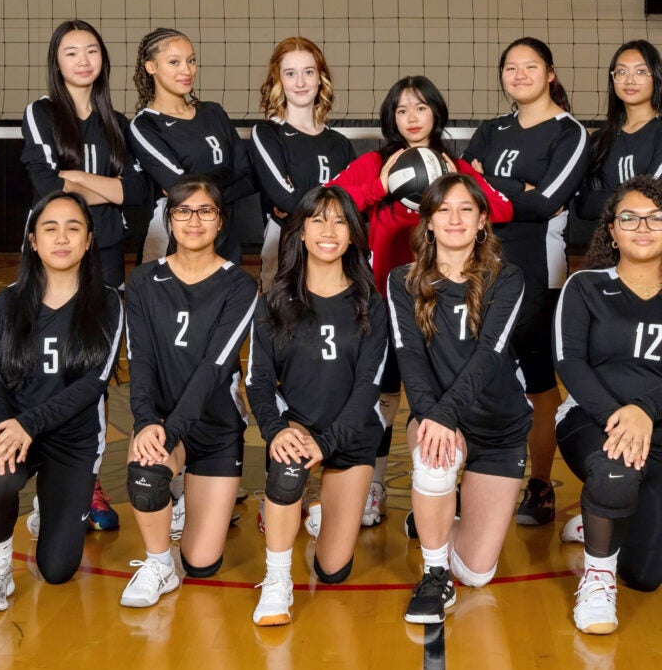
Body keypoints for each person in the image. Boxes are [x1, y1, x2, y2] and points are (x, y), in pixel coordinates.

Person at [331, 75, 512, 528]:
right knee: (380, 394)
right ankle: (372, 485)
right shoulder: (374, 162)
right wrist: (382, 185)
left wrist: (461, 175)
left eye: (421, 109)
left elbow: (501, 209)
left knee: (437, 391)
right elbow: (331, 206)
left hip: (441, 306)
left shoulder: (456, 167)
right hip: (379, 299)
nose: (412, 119)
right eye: (401, 110)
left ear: (437, 114)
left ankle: (435, 493)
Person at [554, 175, 662, 634]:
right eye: (628, 217)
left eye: (655, 217)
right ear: (611, 229)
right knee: (614, 472)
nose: (642, 226)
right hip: (593, 421)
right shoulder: (585, 286)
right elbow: (570, 362)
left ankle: (600, 519)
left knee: (646, 576)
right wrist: (618, 416)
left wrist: (645, 410)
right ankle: (596, 580)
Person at [387, 173, 531, 624]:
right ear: (427, 221)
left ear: (482, 221)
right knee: (435, 460)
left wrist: (445, 414)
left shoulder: (506, 278)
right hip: (438, 418)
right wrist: (436, 418)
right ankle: (433, 575)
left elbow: (490, 353)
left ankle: (434, 517)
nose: (454, 218)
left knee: (476, 571)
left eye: (466, 209)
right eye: (443, 209)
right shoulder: (402, 280)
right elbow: (410, 357)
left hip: (500, 426)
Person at [0, 191, 123, 612]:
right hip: (15, 430)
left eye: (73, 228)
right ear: (33, 241)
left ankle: (53, 501)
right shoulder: (8, 301)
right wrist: (5, 429)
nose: (62, 238)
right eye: (49, 228)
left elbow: (93, 384)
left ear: (89, 240)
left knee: (57, 571)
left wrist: (29, 425)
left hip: (73, 442)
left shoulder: (107, 302)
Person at [20, 20, 146, 531]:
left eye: (91, 50)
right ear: (57, 62)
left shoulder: (119, 121)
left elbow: (136, 194)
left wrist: (79, 181)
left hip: (108, 257)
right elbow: (49, 189)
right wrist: (104, 187)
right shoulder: (42, 113)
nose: (82, 60)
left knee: (94, 373)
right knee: (51, 369)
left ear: (102, 60)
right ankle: (47, 484)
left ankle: (87, 482)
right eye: (71, 52)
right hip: (57, 258)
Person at [247, 186, 388, 626]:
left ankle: (314, 508)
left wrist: (327, 445)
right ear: (301, 233)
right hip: (298, 429)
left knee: (332, 570)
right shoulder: (273, 302)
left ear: (351, 235)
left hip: (349, 436)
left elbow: (369, 388)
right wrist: (278, 431)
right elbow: (258, 381)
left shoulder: (371, 303)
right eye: (318, 220)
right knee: (288, 469)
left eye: (340, 221)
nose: (328, 230)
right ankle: (276, 579)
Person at [464, 37, 591, 525]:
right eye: (510, 67)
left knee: (538, 382)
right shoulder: (492, 128)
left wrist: (492, 186)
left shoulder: (569, 132)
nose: (518, 75)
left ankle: (540, 484)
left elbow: (548, 203)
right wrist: (519, 192)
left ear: (551, 73)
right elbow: (463, 185)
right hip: (480, 265)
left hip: (537, 270)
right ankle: (474, 479)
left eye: (530, 66)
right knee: (474, 373)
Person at [120, 175, 257, 608]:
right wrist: (147, 424)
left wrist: (173, 431)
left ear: (221, 222)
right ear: (169, 219)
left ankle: (182, 499)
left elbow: (214, 368)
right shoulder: (142, 282)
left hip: (215, 428)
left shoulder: (240, 286)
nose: (193, 221)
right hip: (161, 421)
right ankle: (159, 563)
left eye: (205, 211)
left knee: (201, 562)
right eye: (182, 211)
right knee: (147, 471)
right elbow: (138, 361)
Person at [129, 28, 256, 265]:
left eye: (191, 60)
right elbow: (181, 190)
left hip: (224, 235)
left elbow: (248, 176)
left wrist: (200, 188)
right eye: (174, 62)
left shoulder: (213, 112)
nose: (186, 70)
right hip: (174, 238)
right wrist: (223, 183)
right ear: (151, 67)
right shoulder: (145, 125)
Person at [251, 36, 355, 290]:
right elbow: (284, 199)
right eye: (290, 73)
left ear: (320, 77)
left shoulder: (339, 143)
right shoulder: (267, 134)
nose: (300, 82)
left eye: (308, 72)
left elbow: (355, 203)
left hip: (334, 252)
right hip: (285, 251)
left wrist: (300, 199)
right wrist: (332, 207)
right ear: (279, 80)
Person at [576, 40, 662, 222]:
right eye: (621, 71)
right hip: (609, 243)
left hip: (655, 242)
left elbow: (655, 193)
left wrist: (607, 198)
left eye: (641, 71)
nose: (630, 80)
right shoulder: (600, 139)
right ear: (613, 79)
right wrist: (641, 196)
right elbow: (584, 206)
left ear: (656, 77)